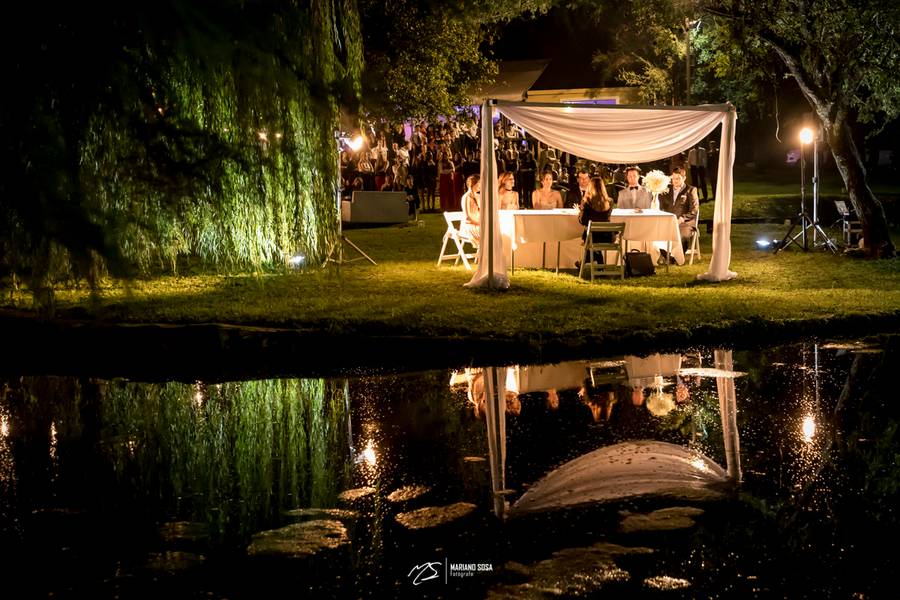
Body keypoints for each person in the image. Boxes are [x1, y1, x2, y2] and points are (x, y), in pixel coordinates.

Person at [659, 167, 699, 251]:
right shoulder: (666, 190)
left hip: (685, 222)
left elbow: (694, 210)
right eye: (673, 178)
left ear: (684, 178)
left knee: (682, 234)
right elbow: (661, 206)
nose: (675, 181)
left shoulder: (691, 190)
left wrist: (682, 219)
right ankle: (667, 256)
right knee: (657, 233)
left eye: (678, 178)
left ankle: (678, 258)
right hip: (669, 221)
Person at [577, 176, 613, 267]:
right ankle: (597, 262)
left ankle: (584, 261)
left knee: (592, 237)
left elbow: (583, 221)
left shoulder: (587, 202)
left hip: (591, 237)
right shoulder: (609, 202)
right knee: (595, 237)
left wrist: (580, 211)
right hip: (607, 237)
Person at [460, 174, 481, 242]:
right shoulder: (466, 197)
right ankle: (483, 251)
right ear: (473, 184)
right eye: (479, 183)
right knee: (486, 233)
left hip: (478, 224)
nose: (481, 185)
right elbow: (467, 217)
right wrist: (478, 223)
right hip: (469, 225)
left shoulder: (479, 196)